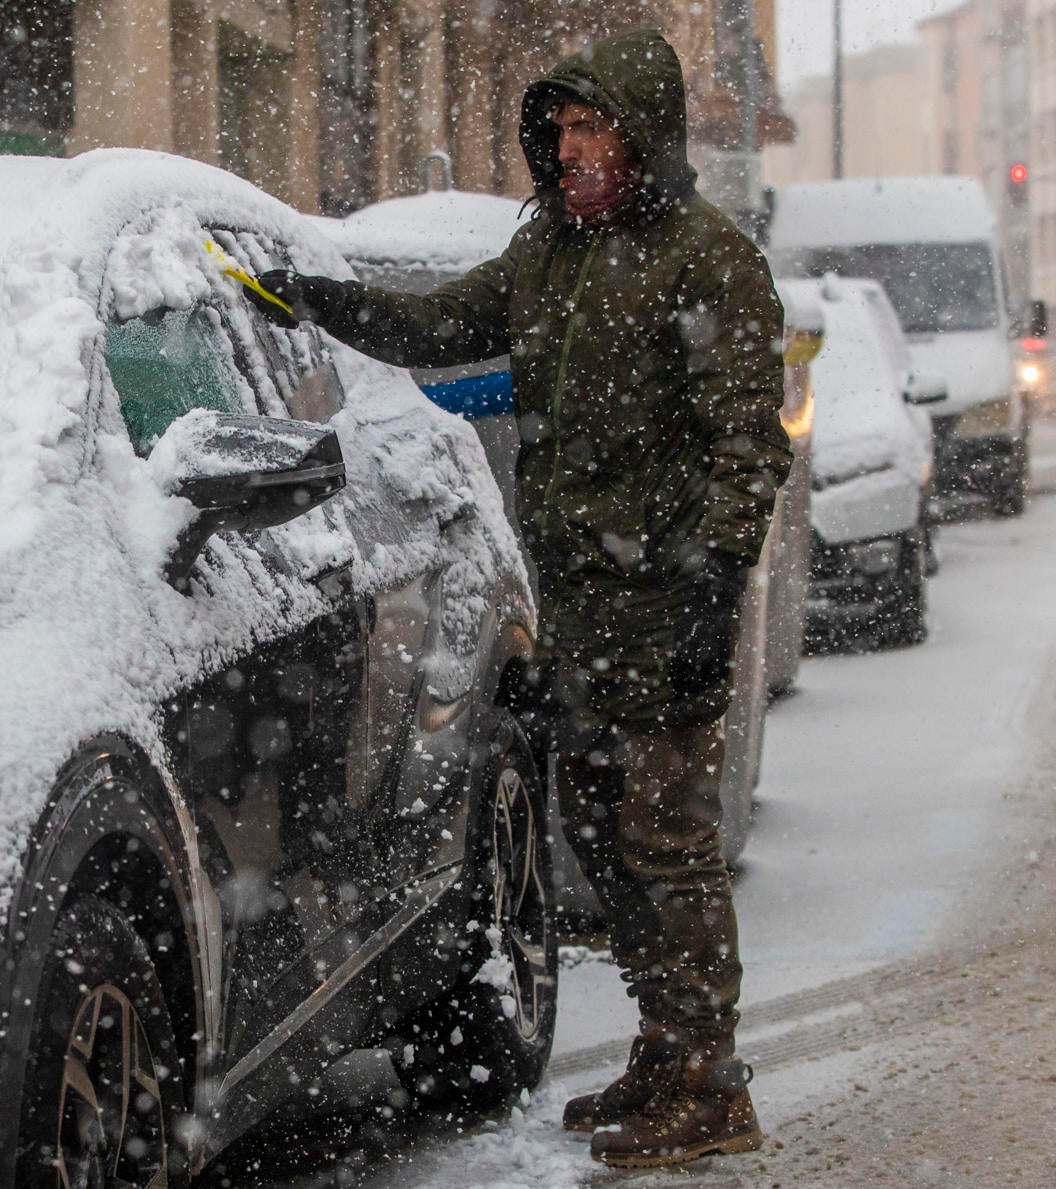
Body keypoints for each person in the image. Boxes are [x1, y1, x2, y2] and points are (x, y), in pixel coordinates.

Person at [243, 27, 790, 1169]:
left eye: (601, 130)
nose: (581, 150)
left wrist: (716, 584)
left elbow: (749, 445)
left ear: (647, 137)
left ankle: (711, 1078)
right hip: (580, 607)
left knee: (668, 842)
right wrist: (313, 298)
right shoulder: (549, 253)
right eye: (567, 131)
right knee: (604, 830)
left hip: (669, 597)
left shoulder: (709, 259)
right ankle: (664, 1042)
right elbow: (438, 326)